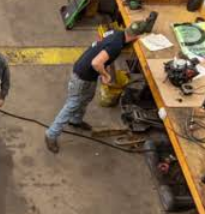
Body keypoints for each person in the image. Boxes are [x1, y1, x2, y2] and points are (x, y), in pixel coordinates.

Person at [44, 20, 148, 154]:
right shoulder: (116, 45)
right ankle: (51, 134)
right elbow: (96, 62)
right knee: (73, 104)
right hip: (82, 76)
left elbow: (102, 49)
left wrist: (107, 71)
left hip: (88, 75)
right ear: (137, 37)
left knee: (87, 97)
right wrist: (104, 74)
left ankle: (76, 121)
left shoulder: (117, 34)